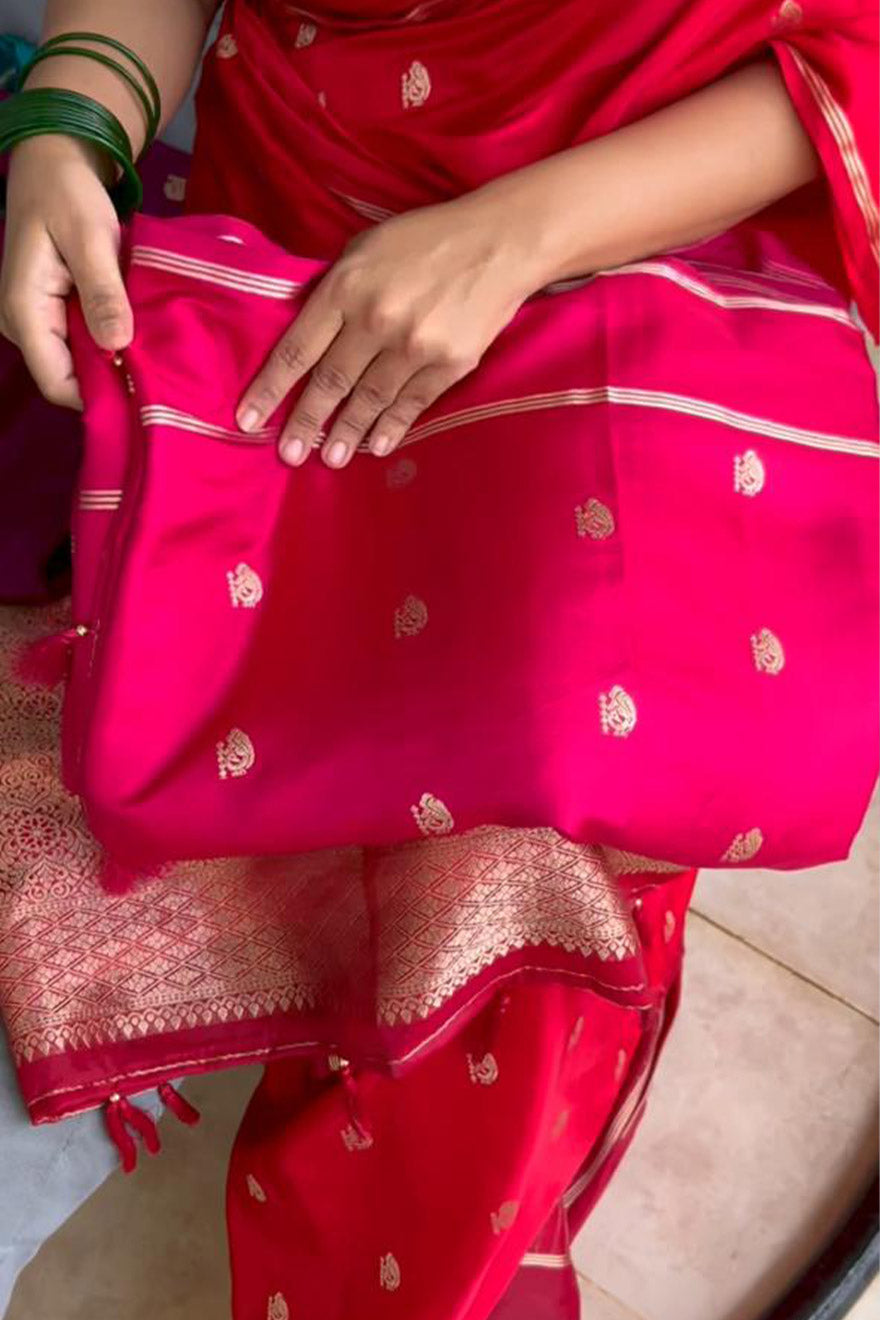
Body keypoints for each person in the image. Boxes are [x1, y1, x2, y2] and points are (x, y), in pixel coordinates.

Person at [0, 2, 876, 1318]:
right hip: (289, 261)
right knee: (242, 769)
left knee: (504, 925)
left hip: (621, 273)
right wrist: (76, 120)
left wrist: (519, 235)